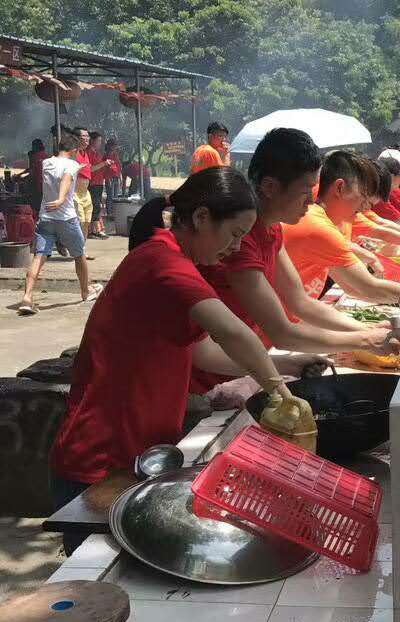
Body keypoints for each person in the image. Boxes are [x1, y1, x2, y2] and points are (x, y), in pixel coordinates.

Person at [49, 169, 310, 552]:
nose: (237, 248)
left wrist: (284, 367)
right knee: (102, 580)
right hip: (100, 462)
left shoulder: (175, 261)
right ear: (202, 218)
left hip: (140, 455)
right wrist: (277, 390)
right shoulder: (162, 263)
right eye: (235, 234)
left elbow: (203, 352)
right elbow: (233, 332)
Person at [189, 131, 397, 391]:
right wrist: (366, 340)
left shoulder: (272, 228)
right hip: (210, 378)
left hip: (246, 367)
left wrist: (364, 331)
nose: (311, 201)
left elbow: (299, 301)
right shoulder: (241, 240)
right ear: (270, 187)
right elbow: (282, 332)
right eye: (305, 191)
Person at [283, 149, 400, 306]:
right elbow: (368, 287)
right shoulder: (317, 227)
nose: (365, 207)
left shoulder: (321, 220)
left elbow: (352, 289)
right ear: (340, 188)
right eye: (363, 197)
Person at [19, 131, 98, 316]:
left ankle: (27, 297)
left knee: (39, 257)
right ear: (73, 150)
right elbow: (66, 179)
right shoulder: (71, 164)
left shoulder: (46, 162)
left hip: (46, 218)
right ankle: (86, 291)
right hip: (66, 219)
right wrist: (62, 198)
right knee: (80, 255)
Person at [72, 126, 94, 243]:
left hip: (85, 193)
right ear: (76, 138)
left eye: (87, 136)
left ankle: (82, 249)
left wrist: (104, 164)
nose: (87, 139)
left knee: (86, 222)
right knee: (80, 221)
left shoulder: (85, 153)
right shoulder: (73, 153)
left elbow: (89, 170)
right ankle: (77, 249)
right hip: (75, 192)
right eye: (84, 136)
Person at [87, 131, 110, 239]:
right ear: (92, 141)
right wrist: (103, 164)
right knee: (95, 206)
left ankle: (95, 229)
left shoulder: (97, 153)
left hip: (99, 183)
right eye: (99, 141)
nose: (100, 143)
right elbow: (90, 169)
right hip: (92, 183)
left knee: (97, 206)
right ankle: (93, 230)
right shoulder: (88, 153)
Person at [23, 138, 46, 213]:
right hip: (44, 186)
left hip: (37, 186)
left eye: (33, 146)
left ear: (36, 146)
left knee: (36, 207)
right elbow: (31, 169)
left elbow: (33, 172)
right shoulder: (45, 155)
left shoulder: (36, 156)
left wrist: (21, 178)